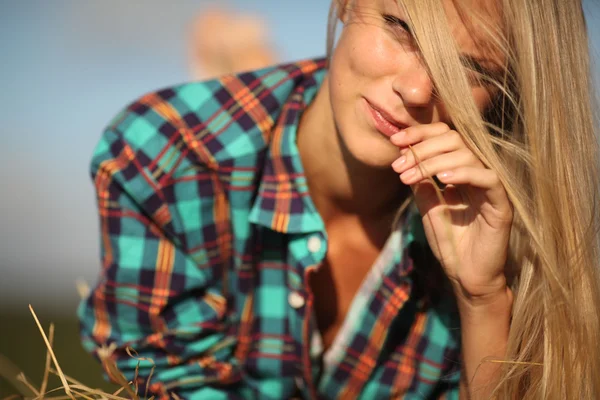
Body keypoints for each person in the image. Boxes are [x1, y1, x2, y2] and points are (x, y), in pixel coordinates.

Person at [78, 0, 600, 398]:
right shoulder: (163, 159)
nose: (418, 91)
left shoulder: (517, 225)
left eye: (474, 70)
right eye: (402, 28)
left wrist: (482, 301)